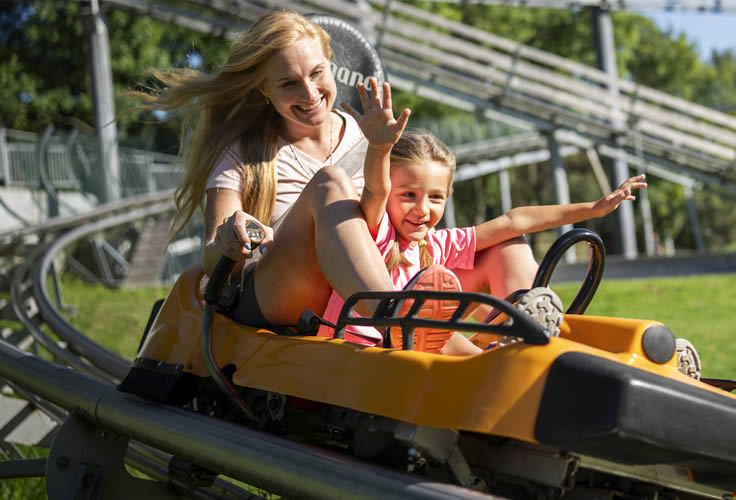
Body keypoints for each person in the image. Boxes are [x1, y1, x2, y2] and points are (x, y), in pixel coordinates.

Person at [133, 10, 540, 334]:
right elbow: (210, 259)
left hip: (381, 278)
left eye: (316, 74)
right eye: (289, 84)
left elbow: (406, 219)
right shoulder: (243, 154)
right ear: (263, 90)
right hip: (282, 292)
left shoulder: (369, 135)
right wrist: (226, 237)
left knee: (506, 244)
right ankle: (393, 318)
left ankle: (526, 333)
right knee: (330, 184)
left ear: (331, 65)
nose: (310, 94)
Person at [321, 127, 646, 353]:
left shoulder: (436, 245)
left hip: (412, 344)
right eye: (408, 195)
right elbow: (376, 189)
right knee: (440, 332)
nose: (422, 209)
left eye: (435, 197)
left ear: (448, 196)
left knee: (509, 242)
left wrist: (594, 208)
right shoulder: (375, 230)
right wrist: (379, 147)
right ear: (389, 192)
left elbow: (513, 221)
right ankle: (515, 350)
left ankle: (549, 343)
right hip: (359, 347)